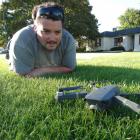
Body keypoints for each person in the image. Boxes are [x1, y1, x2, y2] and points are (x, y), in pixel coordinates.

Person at [9, 2, 77, 77]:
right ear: (35, 28)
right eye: (46, 31)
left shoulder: (68, 39)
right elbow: (24, 74)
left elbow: (69, 68)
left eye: (57, 32)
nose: (52, 38)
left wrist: (41, 70)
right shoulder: (21, 41)